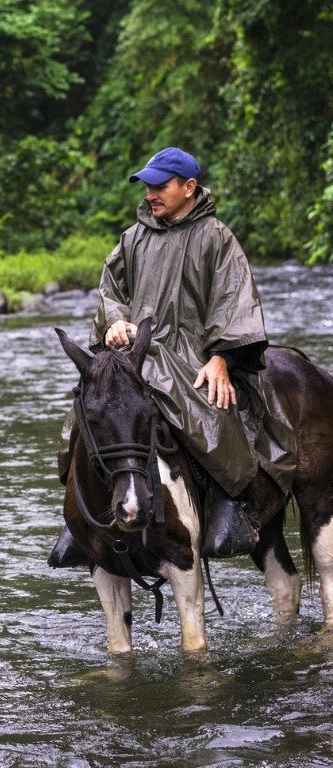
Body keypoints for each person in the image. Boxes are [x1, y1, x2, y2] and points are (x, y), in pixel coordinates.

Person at [49, 146, 296, 565]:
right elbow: (112, 292)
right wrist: (115, 321)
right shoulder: (132, 238)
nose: (150, 195)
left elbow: (235, 302)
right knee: (86, 412)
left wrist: (222, 358)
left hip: (194, 355)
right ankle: (84, 519)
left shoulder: (217, 238)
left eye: (160, 186)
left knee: (206, 414)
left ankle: (233, 502)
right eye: (147, 187)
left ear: (189, 187)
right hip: (135, 351)